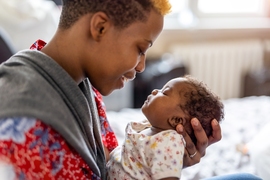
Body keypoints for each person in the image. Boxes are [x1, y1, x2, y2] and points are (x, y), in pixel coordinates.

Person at [0, 0, 261, 179]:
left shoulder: (77, 83)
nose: (141, 66)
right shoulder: (27, 131)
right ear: (100, 27)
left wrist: (164, 158)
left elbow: (113, 165)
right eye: (140, 49)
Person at [106, 76, 224, 179]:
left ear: (176, 120)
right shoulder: (148, 127)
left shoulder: (169, 143)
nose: (154, 91)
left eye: (164, 92)